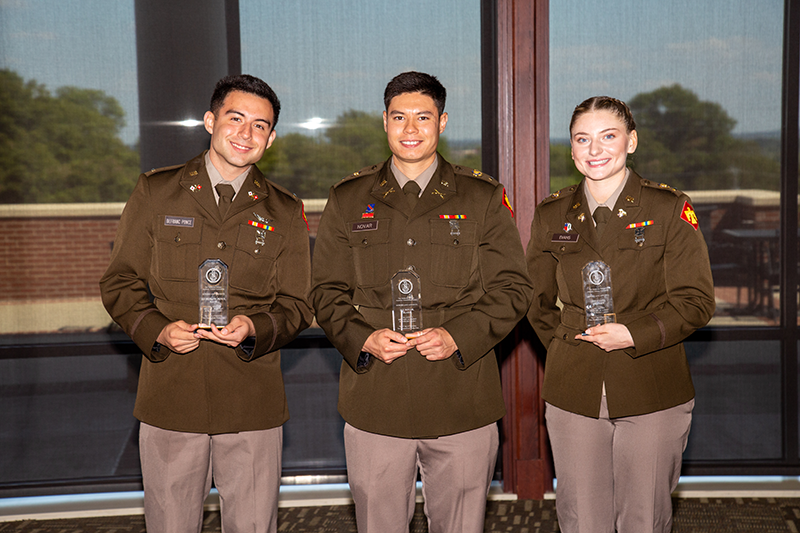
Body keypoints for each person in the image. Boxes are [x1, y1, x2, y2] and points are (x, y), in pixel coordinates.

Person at [310, 71, 532, 533]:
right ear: (384, 122)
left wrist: (458, 336)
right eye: (399, 117)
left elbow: (513, 289)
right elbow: (325, 292)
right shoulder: (348, 198)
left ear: (443, 122)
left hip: (461, 399)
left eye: (423, 118)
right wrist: (363, 339)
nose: (410, 129)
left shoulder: (482, 197)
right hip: (376, 400)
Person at [99, 74, 313, 533]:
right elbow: (120, 281)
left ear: (271, 138)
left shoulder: (285, 211)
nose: (245, 133)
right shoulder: (156, 192)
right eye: (236, 119)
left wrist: (255, 326)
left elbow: (298, 303)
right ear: (210, 120)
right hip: (172, 395)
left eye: (260, 126)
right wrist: (156, 328)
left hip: (252, 401)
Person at [526, 96, 715, 532]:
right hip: (574, 386)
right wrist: (567, 342)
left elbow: (695, 299)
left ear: (631, 141)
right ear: (571, 150)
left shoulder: (668, 208)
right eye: (582, 139)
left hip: (652, 383)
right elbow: (534, 301)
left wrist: (635, 334)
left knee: (643, 518)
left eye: (608, 136)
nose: (595, 149)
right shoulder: (552, 213)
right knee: (580, 518)